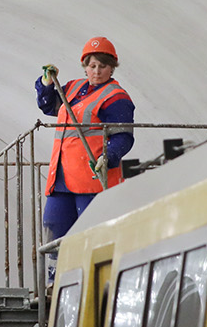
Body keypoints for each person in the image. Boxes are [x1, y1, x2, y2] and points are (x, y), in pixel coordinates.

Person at [36, 36, 135, 239]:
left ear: (112, 68)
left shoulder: (116, 97)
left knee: (91, 236)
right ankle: (56, 262)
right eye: (92, 66)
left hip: (92, 179)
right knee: (54, 232)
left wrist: (108, 157)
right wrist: (46, 83)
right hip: (61, 179)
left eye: (103, 66)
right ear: (85, 67)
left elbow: (123, 137)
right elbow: (49, 106)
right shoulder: (73, 88)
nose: (97, 71)